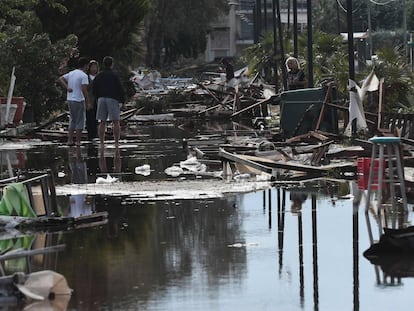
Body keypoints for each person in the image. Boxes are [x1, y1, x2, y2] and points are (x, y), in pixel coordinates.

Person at [92, 56, 126, 147]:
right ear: (112, 64)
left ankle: (102, 142)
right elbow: (120, 88)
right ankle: (116, 142)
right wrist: (123, 100)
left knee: (102, 121)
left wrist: (96, 98)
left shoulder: (99, 75)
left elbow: (94, 88)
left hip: (101, 99)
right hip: (112, 98)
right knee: (115, 121)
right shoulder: (115, 75)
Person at [59, 57, 90, 146]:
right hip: (79, 99)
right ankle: (78, 141)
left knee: (73, 119)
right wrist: (88, 102)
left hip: (70, 99)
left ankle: (70, 140)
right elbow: (84, 90)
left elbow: (61, 78)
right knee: (80, 120)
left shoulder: (72, 73)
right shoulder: (84, 76)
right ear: (85, 66)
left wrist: (67, 87)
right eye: (87, 66)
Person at [86, 60, 99, 140]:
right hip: (89, 99)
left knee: (96, 117)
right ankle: (90, 133)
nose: (94, 69)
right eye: (92, 67)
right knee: (89, 117)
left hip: (97, 99)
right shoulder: (86, 77)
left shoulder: (98, 77)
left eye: (95, 67)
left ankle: (95, 133)